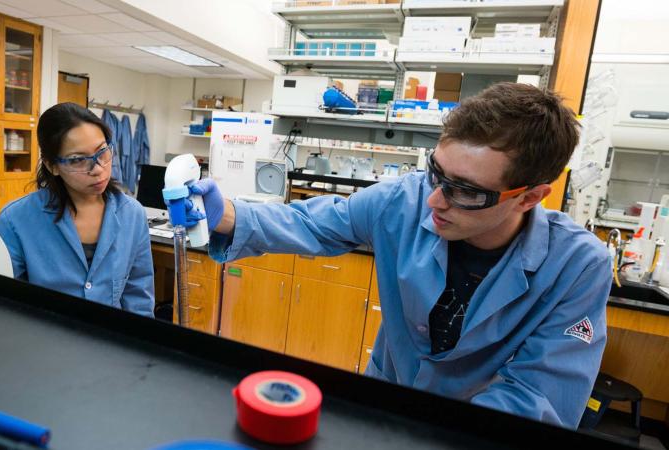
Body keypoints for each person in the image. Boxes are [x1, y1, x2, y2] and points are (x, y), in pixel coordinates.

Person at [180, 83, 611, 428]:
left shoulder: (577, 266)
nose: (435, 201)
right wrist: (227, 215)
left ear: (530, 197)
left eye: (465, 190)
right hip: (381, 407)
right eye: (436, 173)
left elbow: (537, 392)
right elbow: (311, 223)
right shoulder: (403, 201)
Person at [0, 103, 154, 317]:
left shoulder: (132, 214)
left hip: (111, 343)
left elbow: (139, 298)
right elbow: (4, 304)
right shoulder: (15, 221)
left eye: (102, 152)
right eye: (78, 160)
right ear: (52, 166)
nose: (97, 169)